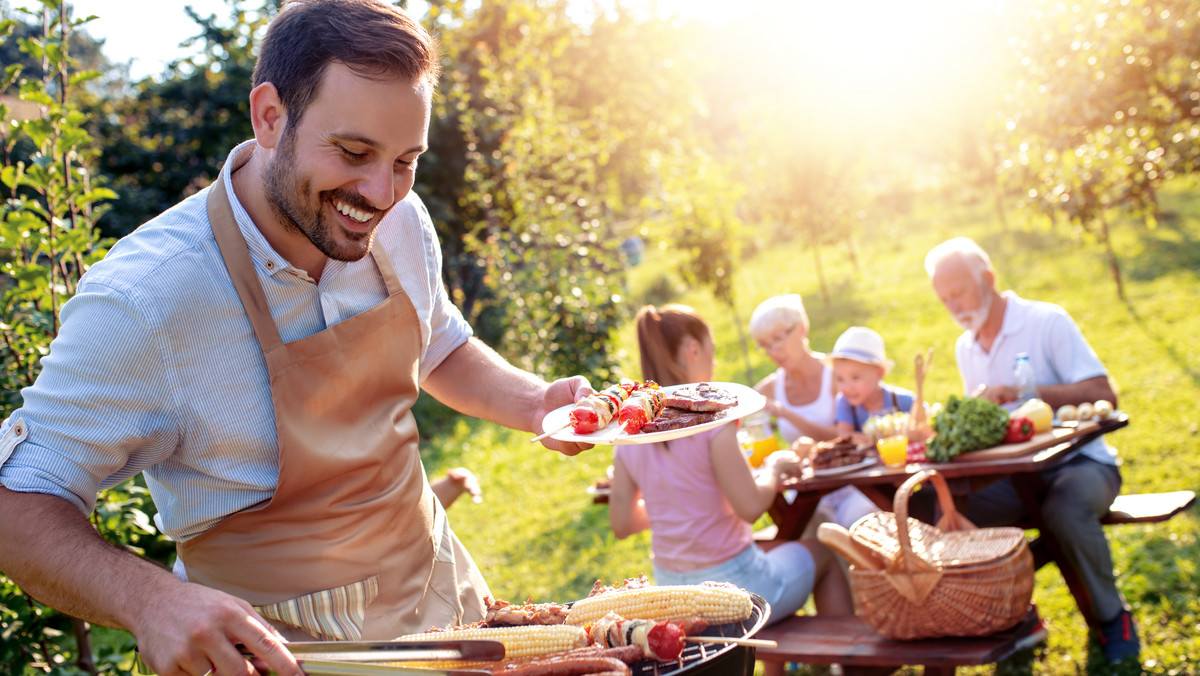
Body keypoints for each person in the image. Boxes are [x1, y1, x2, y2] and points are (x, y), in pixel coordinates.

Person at [0, 2, 594, 675]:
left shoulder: (396, 220)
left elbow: (438, 344)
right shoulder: (148, 298)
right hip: (290, 659)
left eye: (407, 160)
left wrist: (536, 401)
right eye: (354, 152)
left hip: (448, 613)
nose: (382, 191)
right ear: (269, 117)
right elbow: (17, 505)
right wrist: (150, 601)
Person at [924, 236, 1139, 664]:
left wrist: (1023, 392)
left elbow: (1103, 392)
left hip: (1081, 465)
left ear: (988, 278)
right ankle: (1011, 621)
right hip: (1016, 477)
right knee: (946, 514)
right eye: (944, 298)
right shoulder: (966, 347)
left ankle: (1115, 620)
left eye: (960, 291)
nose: (954, 305)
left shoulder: (1045, 320)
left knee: (1063, 510)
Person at [608, 305, 854, 638]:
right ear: (694, 350)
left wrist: (674, 501)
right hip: (736, 588)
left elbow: (622, 524)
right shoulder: (713, 422)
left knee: (778, 545)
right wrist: (775, 466)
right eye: (713, 351)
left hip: (669, 594)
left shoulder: (629, 433)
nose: (715, 362)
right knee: (823, 552)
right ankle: (853, 663)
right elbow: (751, 507)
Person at [749, 295, 876, 529]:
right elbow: (749, 431)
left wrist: (786, 414)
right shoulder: (768, 388)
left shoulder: (837, 376)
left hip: (853, 483)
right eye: (765, 345)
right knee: (808, 529)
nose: (773, 351)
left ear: (801, 329)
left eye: (778, 339)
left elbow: (848, 436)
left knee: (858, 524)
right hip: (807, 490)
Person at [828, 326, 915, 447]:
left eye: (855, 378)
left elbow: (926, 427)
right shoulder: (845, 403)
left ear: (879, 374)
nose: (847, 388)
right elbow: (844, 435)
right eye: (840, 379)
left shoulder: (904, 401)